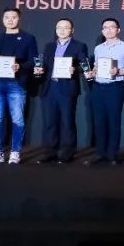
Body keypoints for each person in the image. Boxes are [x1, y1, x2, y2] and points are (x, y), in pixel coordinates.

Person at [0, 7, 38, 165]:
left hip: (16, 83)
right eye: (7, 17)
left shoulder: (28, 38)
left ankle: (15, 152)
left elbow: (34, 61)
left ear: (19, 19)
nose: (10, 20)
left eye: (14, 17)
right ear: (3, 19)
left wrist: (20, 66)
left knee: (18, 120)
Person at [32, 17, 88, 164]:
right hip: (49, 87)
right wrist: (39, 70)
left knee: (67, 122)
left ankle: (67, 153)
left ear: (72, 30)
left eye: (66, 27)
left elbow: (85, 65)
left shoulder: (79, 46)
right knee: (50, 122)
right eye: (59, 28)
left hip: (67, 87)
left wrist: (75, 69)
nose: (62, 30)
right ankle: (50, 151)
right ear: (56, 30)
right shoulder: (49, 46)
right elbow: (44, 65)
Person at [85, 18, 124, 165]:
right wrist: (92, 72)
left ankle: (113, 154)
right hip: (98, 87)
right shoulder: (98, 48)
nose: (108, 30)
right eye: (105, 27)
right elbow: (96, 66)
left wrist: (118, 71)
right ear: (102, 31)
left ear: (118, 30)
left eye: (112, 27)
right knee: (99, 121)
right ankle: (100, 153)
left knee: (114, 121)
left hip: (114, 87)